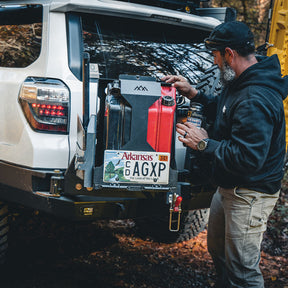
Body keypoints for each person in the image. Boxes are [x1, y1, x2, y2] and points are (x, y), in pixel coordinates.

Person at [162, 21, 288, 288]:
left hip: (249, 193)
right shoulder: (242, 81)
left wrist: (205, 144)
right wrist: (195, 93)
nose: (215, 61)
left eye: (216, 55)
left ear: (229, 54)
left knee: (242, 272)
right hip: (229, 186)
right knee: (220, 253)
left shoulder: (256, 97)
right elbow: (226, 110)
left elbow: (248, 158)